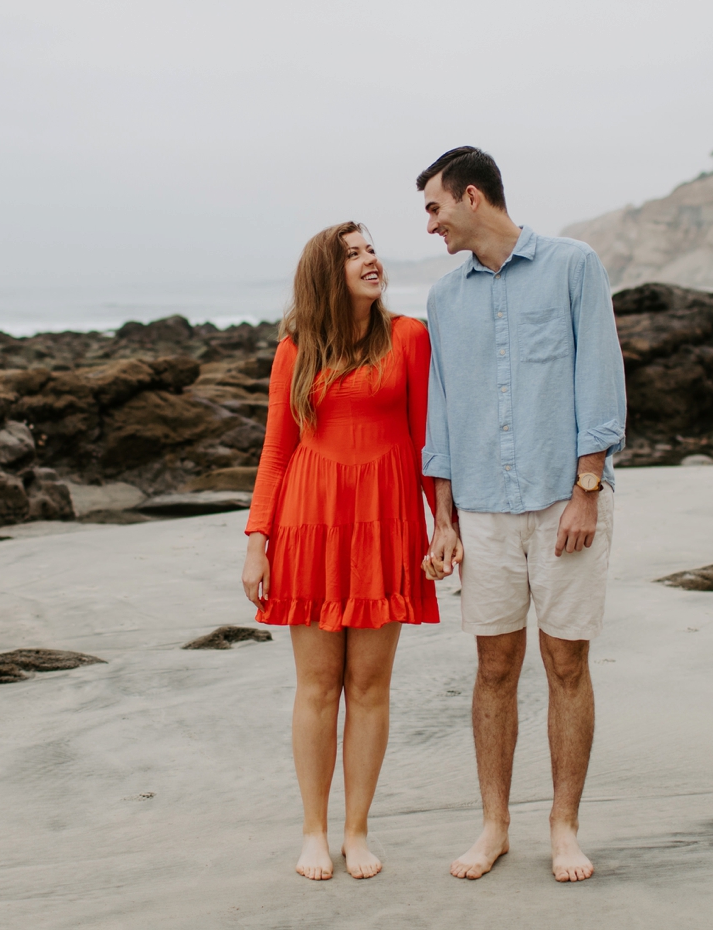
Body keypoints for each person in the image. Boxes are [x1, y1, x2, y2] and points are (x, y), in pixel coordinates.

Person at [417, 147, 627, 883]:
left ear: (472, 197)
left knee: (566, 661)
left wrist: (586, 490)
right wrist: (440, 519)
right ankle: (494, 825)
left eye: (435, 208)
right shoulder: (445, 299)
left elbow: (600, 378)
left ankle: (564, 827)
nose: (432, 226)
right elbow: (439, 413)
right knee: (493, 667)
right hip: (481, 510)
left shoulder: (574, 265)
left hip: (562, 503)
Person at [241, 221, 440, 881]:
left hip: (386, 525)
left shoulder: (409, 336)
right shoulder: (296, 348)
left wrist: (445, 523)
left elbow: (423, 442)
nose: (370, 260)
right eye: (353, 254)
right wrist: (257, 542)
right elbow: (277, 449)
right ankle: (314, 832)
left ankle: (357, 831)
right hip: (310, 524)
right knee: (318, 686)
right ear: (328, 272)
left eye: (371, 249)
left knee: (371, 685)